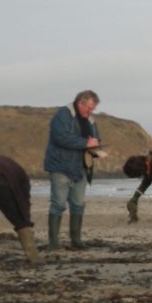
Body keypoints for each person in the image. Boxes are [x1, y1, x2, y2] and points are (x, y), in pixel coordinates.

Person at [43, 90, 103, 249]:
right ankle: (54, 242)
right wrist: (85, 143)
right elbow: (61, 137)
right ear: (80, 103)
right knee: (58, 204)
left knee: (78, 204)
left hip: (82, 168)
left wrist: (96, 145)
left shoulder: (91, 120)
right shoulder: (63, 115)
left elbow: (95, 139)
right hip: (61, 166)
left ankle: (76, 240)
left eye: (93, 108)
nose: (91, 111)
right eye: (89, 108)